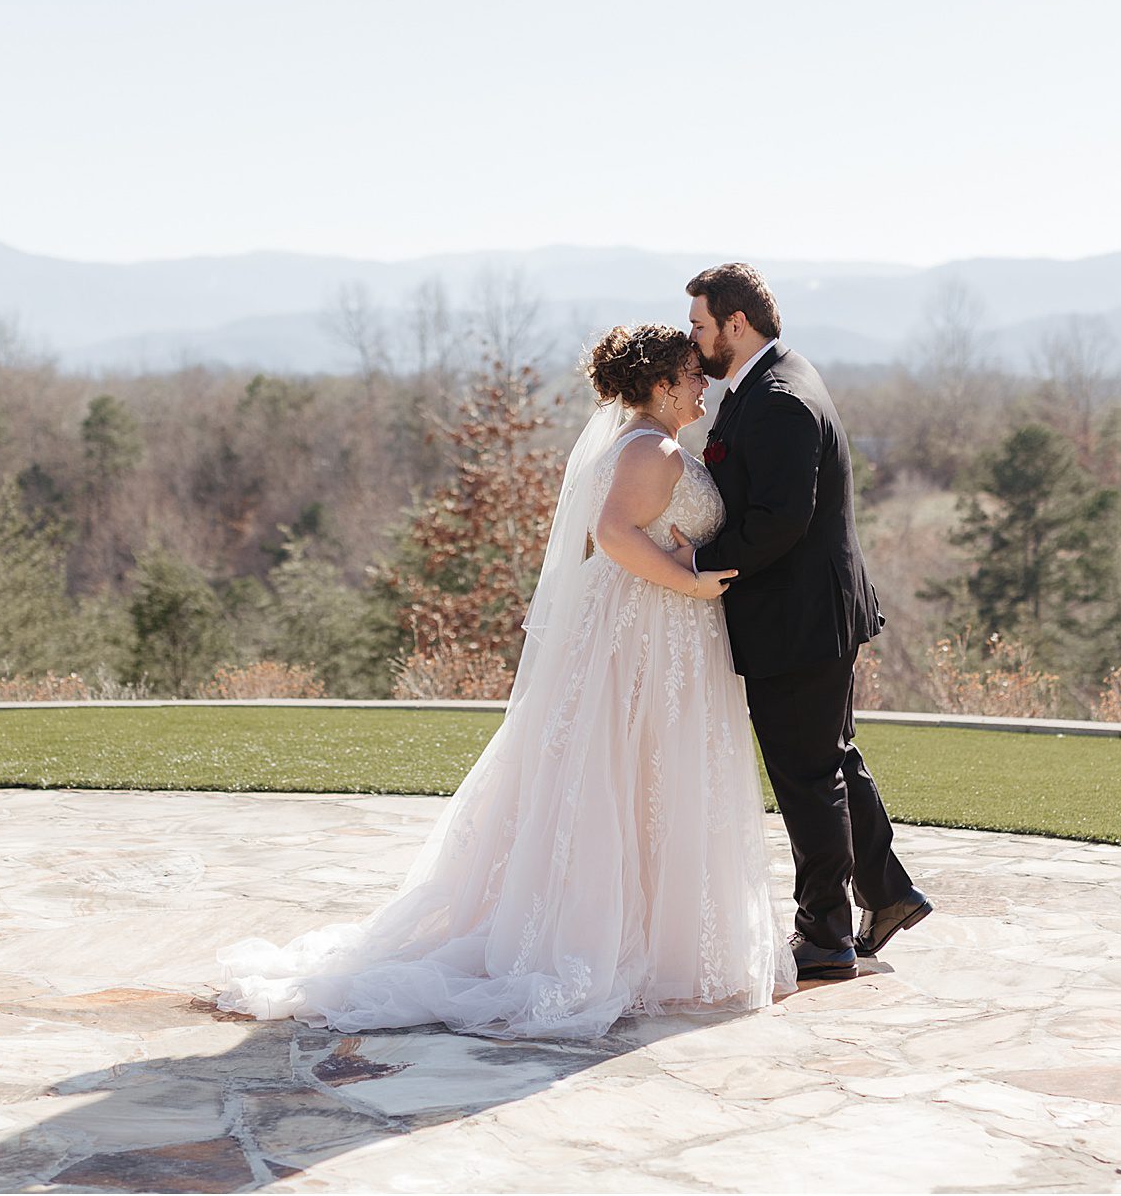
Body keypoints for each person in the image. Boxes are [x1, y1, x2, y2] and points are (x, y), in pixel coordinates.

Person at [216, 323, 794, 1039]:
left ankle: (655, 937)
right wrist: (692, 580)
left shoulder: (653, 445)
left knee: (648, 781)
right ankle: (609, 942)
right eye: (691, 372)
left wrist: (688, 559)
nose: (703, 381)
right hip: (649, 630)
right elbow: (615, 536)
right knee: (628, 779)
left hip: (660, 631)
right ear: (660, 384)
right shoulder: (653, 448)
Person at [679, 263, 931, 982]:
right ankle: (888, 892)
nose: (693, 342)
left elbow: (779, 522)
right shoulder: (769, 379)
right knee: (830, 757)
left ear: (737, 323)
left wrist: (696, 558)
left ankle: (824, 932)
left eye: (701, 325)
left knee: (806, 773)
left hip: (799, 619)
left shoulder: (781, 397)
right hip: (807, 613)